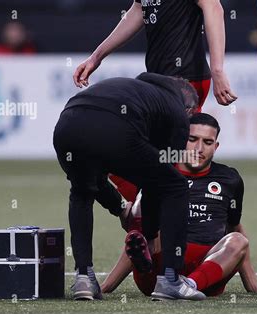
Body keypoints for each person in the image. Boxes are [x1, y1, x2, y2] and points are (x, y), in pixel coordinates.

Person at [53, 72, 205, 301]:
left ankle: (83, 278)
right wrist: (151, 234)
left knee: (82, 191)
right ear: (189, 109)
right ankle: (170, 279)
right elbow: (158, 185)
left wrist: (121, 208)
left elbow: (97, 181)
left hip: (67, 124)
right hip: (114, 127)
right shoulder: (177, 111)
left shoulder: (135, 89)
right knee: (176, 186)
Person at [73, 0, 238, 203]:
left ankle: (176, 224)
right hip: (157, 81)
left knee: (169, 159)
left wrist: (218, 70)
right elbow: (138, 10)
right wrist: (97, 56)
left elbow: (213, 6)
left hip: (185, 81)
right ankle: (146, 222)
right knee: (151, 157)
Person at [101, 113, 257, 299]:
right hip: (158, 273)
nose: (199, 148)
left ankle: (187, 285)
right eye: (192, 139)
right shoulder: (160, 171)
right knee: (145, 222)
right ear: (180, 139)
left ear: (216, 147)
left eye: (208, 142)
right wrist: (104, 287)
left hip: (208, 275)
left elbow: (234, 227)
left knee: (238, 239)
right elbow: (106, 169)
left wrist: (253, 285)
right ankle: (159, 274)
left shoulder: (230, 179)